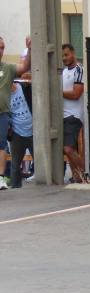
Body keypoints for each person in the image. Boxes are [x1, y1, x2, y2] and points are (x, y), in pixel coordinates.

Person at [0, 35, 30, 190]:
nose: (1, 50)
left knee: (2, 146)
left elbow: (24, 67)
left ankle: (2, 179)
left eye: (3, 47)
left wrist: (30, 49)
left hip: (6, 117)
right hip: (11, 123)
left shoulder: (8, 69)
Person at [61, 43, 87, 183]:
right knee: (68, 149)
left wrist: (57, 93)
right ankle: (77, 177)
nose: (64, 58)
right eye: (62, 56)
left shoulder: (79, 70)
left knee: (68, 148)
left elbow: (76, 94)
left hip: (74, 115)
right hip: (63, 115)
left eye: (66, 54)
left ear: (73, 53)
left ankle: (85, 173)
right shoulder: (64, 71)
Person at [8, 81, 33, 188]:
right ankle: (15, 188)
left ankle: (47, 186)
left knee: (41, 161)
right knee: (15, 164)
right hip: (17, 133)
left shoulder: (25, 87)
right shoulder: (3, 95)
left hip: (35, 131)